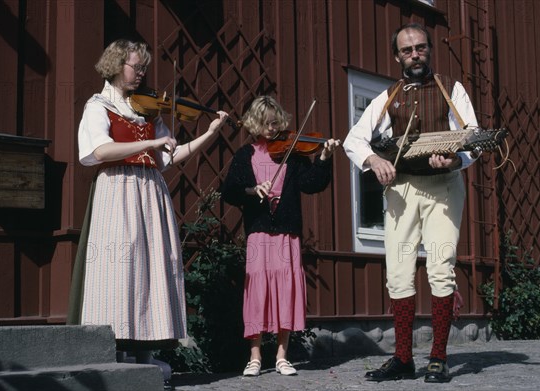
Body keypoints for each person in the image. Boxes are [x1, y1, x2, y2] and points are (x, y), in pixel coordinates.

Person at [68, 38, 228, 389]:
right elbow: (100, 149)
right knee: (117, 266)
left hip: (149, 190)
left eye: (143, 67)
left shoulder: (147, 109)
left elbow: (170, 155)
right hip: (117, 188)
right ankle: (114, 351)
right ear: (115, 64)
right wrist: (150, 143)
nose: (141, 73)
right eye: (135, 66)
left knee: (148, 266)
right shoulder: (98, 106)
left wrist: (209, 134)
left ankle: (143, 352)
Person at [343, 23, 479, 384]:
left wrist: (456, 159)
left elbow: (473, 139)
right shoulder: (388, 96)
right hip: (401, 189)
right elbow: (354, 140)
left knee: (440, 267)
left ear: (429, 50)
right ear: (397, 56)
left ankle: (439, 357)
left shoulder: (452, 90)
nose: (415, 54)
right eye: (407, 50)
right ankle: (403, 358)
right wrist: (374, 161)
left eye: (420, 47)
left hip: (444, 188)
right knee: (399, 272)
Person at [221, 96, 340, 377]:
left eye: (276, 122)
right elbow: (230, 192)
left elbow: (313, 184)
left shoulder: (294, 154)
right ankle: (255, 357)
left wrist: (324, 157)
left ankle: (283, 356)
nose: (273, 129)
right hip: (258, 232)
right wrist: (252, 190)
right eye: (266, 123)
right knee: (257, 292)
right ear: (255, 123)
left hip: (287, 232)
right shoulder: (245, 155)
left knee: (286, 291)